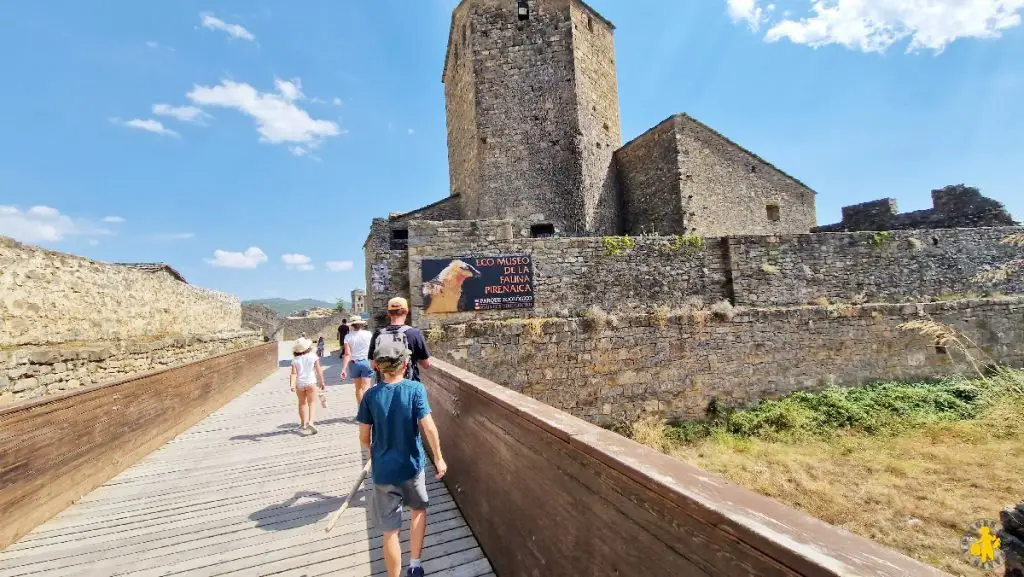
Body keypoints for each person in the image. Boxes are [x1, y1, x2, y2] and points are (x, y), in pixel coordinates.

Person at [357, 340, 447, 577]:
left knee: (390, 531)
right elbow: (429, 427)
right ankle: (415, 564)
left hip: (384, 471)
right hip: (412, 466)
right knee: (418, 511)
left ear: (377, 367)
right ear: (406, 364)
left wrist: (371, 455)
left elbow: (364, 436)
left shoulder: (370, 395)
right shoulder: (415, 389)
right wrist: (438, 458)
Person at [368, 297, 431, 382]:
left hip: (385, 386)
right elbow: (426, 365)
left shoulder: (378, 334)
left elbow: (373, 365)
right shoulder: (415, 333)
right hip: (409, 386)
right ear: (406, 311)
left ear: (388, 313)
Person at [289, 337, 325, 434]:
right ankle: (311, 422)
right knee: (312, 403)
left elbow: (293, 374)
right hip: (311, 383)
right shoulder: (313, 356)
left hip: (300, 385)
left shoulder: (295, 360)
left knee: (302, 403)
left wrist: (292, 384)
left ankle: (303, 423)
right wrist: (322, 381)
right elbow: (318, 370)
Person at [340, 315, 374, 406]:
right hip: (366, 362)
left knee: (358, 388)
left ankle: (361, 409)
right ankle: (368, 410)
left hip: (354, 363)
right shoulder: (368, 334)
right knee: (366, 387)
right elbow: (373, 349)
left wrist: (343, 369)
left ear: (351, 325)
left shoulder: (348, 337)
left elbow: (347, 354)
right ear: (361, 324)